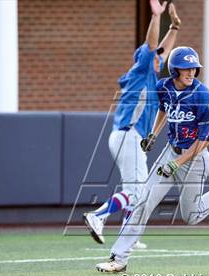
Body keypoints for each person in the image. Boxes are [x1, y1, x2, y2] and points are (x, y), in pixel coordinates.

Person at [96, 46, 209, 272]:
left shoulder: (202, 95)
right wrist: (153, 135)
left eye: (194, 68)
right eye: (185, 69)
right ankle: (119, 259)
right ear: (174, 70)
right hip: (170, 151)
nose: (191, 73)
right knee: (143, 201)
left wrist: (177, 163)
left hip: (195, 159)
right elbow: (163, 109)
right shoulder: (163, 86)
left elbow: (204, 141)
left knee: (192, 216)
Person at [83, 0, 181, 249]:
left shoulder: (147, 72)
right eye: (155, 57)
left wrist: (175, 27)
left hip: (128, 136)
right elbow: (152, 46)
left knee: (134, 189)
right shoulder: (142, 68)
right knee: (137, 192)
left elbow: (162, 51)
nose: (160, 58)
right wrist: (157, 17)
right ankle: (98, 216)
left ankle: (129, 235)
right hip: (129, 135)